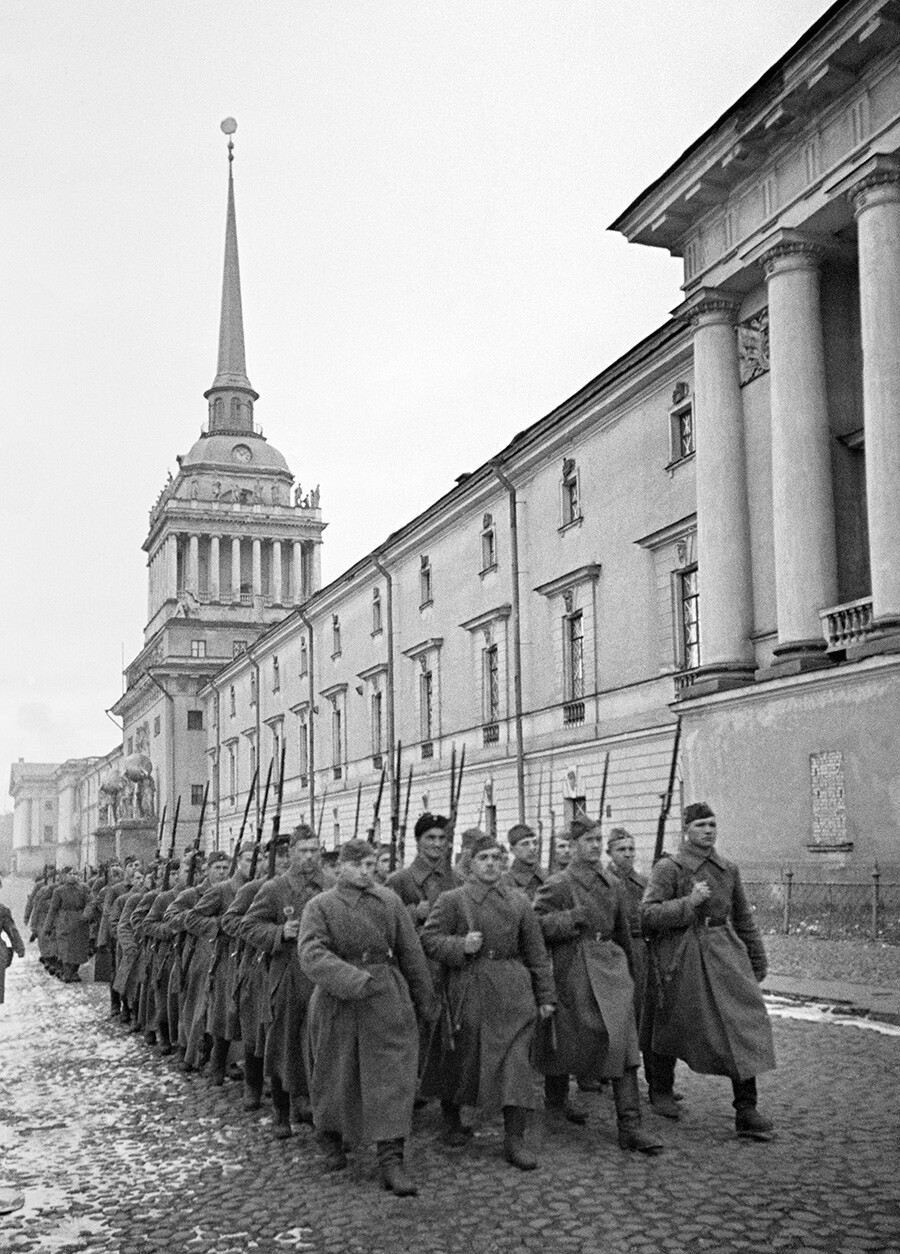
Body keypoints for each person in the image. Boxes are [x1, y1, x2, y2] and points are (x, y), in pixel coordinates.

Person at [298, 838, 437, 1196]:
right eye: (358, 864)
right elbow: (312, 953)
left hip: (386, 997)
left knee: (392, 1077)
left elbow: (411, 952)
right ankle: (331, 1135)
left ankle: (391, 1158)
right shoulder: (320, 905)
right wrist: (351, 979)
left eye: (371, 864)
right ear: (340, 867)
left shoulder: (389, 901)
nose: (366, 871)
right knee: (335, 1073)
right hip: (337, 1002)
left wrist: (425, 999)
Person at [421, 832, 556, 1171]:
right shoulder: (453, 900)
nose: (491, 864)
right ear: (470, 863)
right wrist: (460, 946)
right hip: (469, 989)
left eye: (497, 858)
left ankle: (514, 1140)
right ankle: (451, 1116)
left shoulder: (519, 902)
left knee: (516, 1065)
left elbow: (536, 953)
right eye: (484, 858)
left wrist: (545, 996)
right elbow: (429, 940)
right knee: (462, 1056)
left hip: (513, 991)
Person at [641, 802, 776, 1140]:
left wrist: (756, 958)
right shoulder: (669, 869)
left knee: (742, 1022)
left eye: (712, 824)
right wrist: (689, 904)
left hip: (724, 952)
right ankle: (660, 1090)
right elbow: (647, 915)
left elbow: (743, 917)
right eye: (700, 825)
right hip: (682, 955)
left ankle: (746, 1108)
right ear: (686, 829)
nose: (708, 830)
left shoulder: (728, 869)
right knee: (672, 1021)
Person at [533, 817, 662, 1154]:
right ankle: (556, 1104)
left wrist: (631, 974)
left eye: (597, 839)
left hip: (611, 965)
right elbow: (534, 927)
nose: (593, 845)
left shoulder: (613, 883)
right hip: (574, 968)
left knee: (621, 1040)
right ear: (573, 845)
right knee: (566, 1039)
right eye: (587, 840)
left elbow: (623, 931)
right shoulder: (558, 884)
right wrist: (569, 919)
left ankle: (629, 1125)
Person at [240, 823, 332, 1139]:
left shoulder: (331, 886)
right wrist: (279, 933)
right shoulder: (275, 889)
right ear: (290, 853)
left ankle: (319, 1111)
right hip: (289, 976)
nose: (310, 857)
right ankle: (281, 1112)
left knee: (324, 1045)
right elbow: (249, 926)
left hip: (325, 978)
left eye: (315, 850)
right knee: (284, 1046)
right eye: (303, 851)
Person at [604, 826, 676, 1109]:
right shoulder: (604, 882)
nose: (628, 854)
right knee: (622, 1021)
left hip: (643, 954)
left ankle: (658, 1084)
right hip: (613, 954)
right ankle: (615, 1079)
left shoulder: (643, 882)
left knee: (651, 1020)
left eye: (632, 849)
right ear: (609, 852)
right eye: (622, 850)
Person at [222, 834, 291, 1111]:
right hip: (257, 966)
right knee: (256, 1031)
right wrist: (267, 934)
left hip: (289, 967)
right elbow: (231, 920)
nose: (284, 861)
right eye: (278, 855)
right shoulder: (253, 889)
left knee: (285, 1034)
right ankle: (252, 1085)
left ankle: (292, 1095)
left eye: (289, 855)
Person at [183, 843, 256, 1085]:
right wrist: (219, 926)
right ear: (239, 861)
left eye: (258, 858)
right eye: (247, 860)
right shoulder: (223, 890)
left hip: (254, 956)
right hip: (228, 958)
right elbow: (192, 918)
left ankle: (253, 1074)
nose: (253, 864)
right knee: (225, 1014)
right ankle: (217, 1063)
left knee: (253, 1015)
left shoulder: (261, 888)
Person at [41, 867, 91, 983]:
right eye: (69, 874)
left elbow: (91, 902)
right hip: (64, 921)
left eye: (74, 874)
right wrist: (47, 927)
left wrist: (86, 914)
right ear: (64, 876)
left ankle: (74, 972)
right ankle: (67, 973)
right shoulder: (59, 891)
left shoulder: (83, 889)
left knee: (79, 949)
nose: (72, 876)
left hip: (80, 923)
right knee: (66, 949)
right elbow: (53, 910)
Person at [504, 824, 546, 901]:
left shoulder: (547, 876)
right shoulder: (506, 881)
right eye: (525, 844)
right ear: (512, 850)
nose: (532, 848)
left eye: (535, 843)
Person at [0, 899, 25, 1006]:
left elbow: (11, 930)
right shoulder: (2, 910)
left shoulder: (2, 910)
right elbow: (11, 930)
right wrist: (19, 947)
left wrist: (19, 946)